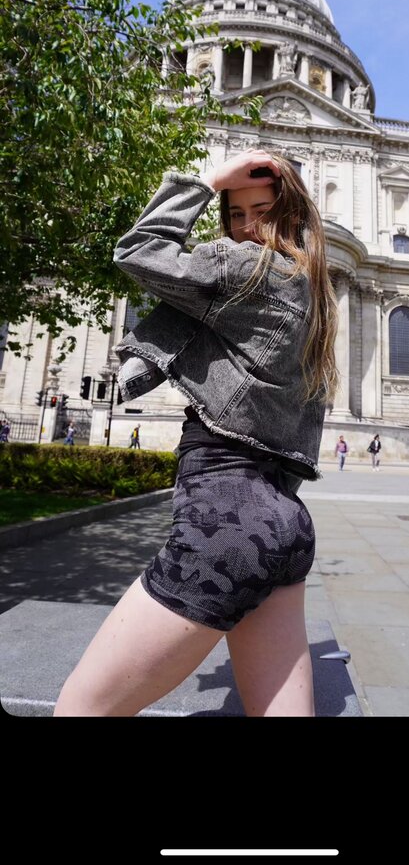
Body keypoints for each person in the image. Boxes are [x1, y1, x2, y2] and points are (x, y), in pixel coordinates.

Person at [54, 149, 339, 718]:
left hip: (225, 521)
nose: (247, 226)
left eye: (263, 211)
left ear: (293, 213)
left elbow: (138, 250)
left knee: (80, 709)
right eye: (236, 214)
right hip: (284, 521)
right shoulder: (311, 292)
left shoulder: (242, 268)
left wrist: (209, 181)